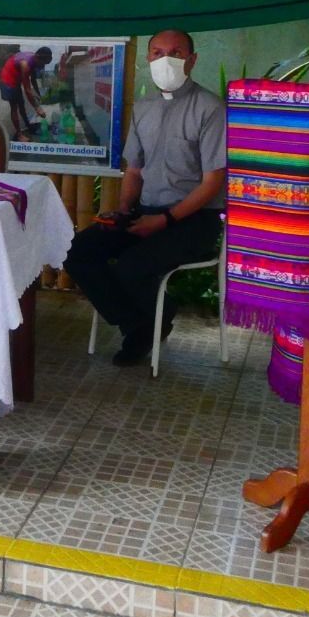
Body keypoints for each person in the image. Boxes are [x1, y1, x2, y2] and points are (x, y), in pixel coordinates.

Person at [64, 30, 224, 367]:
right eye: (157, 52)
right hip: (145, 211)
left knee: (132, 266)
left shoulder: (210, 108)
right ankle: (141, 322)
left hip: (194, 220)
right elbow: (134, 170)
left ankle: (144, 329)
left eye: (176, 53)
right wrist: (123, 211)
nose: (166, 60)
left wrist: (164, 220)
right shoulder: (144, 107)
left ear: (192, 60)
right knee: (77, 252)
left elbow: (212, 183)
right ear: (148, 58)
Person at [0, 46, 52, 139]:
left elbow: (33, 79)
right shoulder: (25, 65)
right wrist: (37, 108)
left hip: (16, 79)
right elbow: (27, 89)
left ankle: (28, 126)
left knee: (21, 104)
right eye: (43, 63)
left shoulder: (34, 59)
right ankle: (19, 135)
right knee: (14, 107)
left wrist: (38, 94)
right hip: (7, 81)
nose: (43, 66)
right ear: (38, 58)